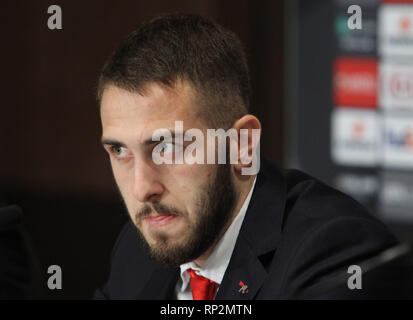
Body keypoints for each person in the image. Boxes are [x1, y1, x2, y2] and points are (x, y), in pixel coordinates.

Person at [94, 13, 398, 300]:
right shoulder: (138, 250)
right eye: (120, 151)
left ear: (241, 144)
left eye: (167, 146)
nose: (141, 189)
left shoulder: (334, 252)